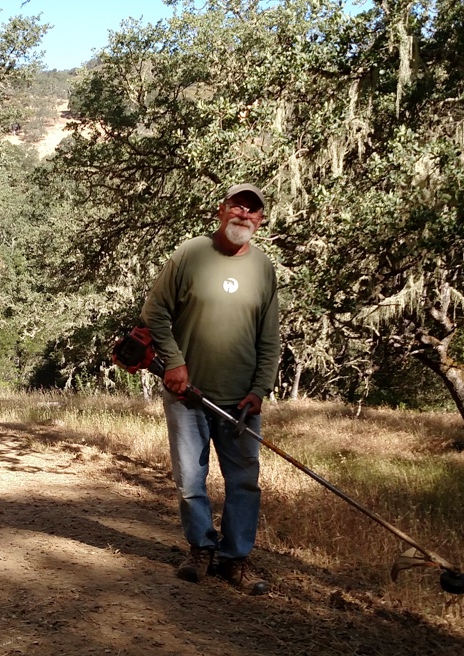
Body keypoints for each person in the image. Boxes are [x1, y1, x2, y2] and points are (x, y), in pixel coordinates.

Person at [140, 183, 281, 595]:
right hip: (187, 394)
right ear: (221, 211)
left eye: (252, 211)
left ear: (260, 220)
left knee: (243, 481)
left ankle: (236, 559)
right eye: (237, 206)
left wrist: (260, 390)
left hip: (241, 402)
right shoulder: (190, 254)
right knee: (189, 478)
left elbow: (269, 340)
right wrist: (175, 362)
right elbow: (155, 312)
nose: (243, 215)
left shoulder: (263, 268)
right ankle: (200, 548)